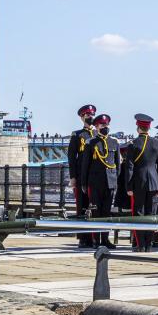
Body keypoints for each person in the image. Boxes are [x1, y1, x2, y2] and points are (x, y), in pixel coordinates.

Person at [119, 113, 158, 252]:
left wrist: (128, 186)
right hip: (154, 182)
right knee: (151, 214)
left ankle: (140, 245)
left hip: (138, 183)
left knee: (138, 214)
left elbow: (130, 167)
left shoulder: (133, 144)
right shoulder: (157, 143)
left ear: (138, 128)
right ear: (149, 128)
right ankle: (149, 244)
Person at [79, 113, 119, 248]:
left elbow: (117, 164)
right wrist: (84, 183)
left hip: (110, 182)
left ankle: (106, 239)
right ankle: (96, 239)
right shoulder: (91, 143)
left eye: (106, 125)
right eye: (102, 125)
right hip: (95, 182)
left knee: (107, 212)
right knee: (96, 212)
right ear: (96, 126)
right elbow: (86, 165)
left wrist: (116, 182)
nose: (105, 127)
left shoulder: (114, 142)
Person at [67, 104, 96, 247]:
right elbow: (72, 157)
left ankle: (96, 236)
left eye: (92, 114)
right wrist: (73, 177)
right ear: (82, 117)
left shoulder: (98, 134)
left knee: (96, 206)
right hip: (80, 175)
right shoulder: (77, 135)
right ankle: (83, 237)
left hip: (95, 175)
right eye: (88, 115)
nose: (90, 117)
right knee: (82, 206)